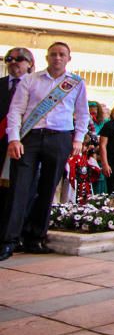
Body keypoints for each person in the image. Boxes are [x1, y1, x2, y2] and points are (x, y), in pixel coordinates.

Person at [1, 42, 89, 261]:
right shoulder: (31, 80)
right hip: (30, 137)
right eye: (53, 55)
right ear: (46, 57)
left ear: (69, 58)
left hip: (59, 138)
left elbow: (83, 114)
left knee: (48, 188)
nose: (57, 58)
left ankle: (35, 238)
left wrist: (78, 139)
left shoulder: (76, 83)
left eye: (61, 55)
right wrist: (14, 139)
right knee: (19, 188)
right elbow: (16, 111)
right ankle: (9, 240)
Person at [0, 47, 33, 227]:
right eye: (9, 59)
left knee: (20, 187)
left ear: (30, 64)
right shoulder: (1, 84)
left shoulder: (36, 85)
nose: (13, 62)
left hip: (26, 143)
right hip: (2, 141)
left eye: (19, 59)